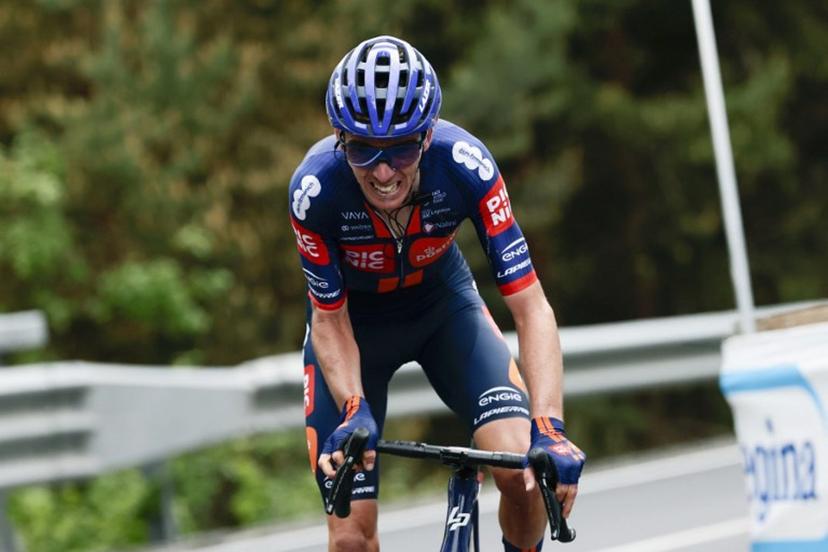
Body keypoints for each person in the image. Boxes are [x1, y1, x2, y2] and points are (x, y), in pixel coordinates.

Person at [289, 35, 585, 551]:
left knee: (523, 474)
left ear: (426, 138)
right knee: (350, 540)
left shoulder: (467, 165)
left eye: (400, 149)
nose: (383, 172)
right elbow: (329, 319)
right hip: (356, 329)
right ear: (339, 139)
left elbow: (531, 305)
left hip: (443, 310)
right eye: (362, 150)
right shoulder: (315, 192)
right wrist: (354, 405)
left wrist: (550, 426)